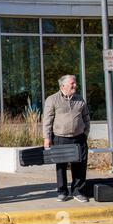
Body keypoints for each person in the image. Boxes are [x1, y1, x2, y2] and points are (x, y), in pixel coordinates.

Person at [43, 74, 91, 203]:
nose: (75, 85)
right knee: (61, 166)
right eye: (72, 83)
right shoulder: (52, 99)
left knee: (80, 166)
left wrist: (85, 133)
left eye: (75, 83)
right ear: (63, 86)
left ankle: (78, 191)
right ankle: (62, 192)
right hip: (60, 138)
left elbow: (86, 118)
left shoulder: (80, 99)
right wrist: (47, 138)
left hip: (79, 138)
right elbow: (47, 121)